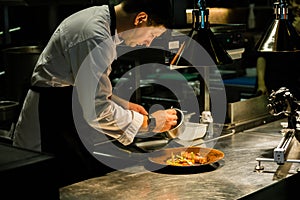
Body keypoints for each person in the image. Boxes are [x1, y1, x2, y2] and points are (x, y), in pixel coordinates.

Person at [12, 0, 177, 186]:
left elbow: (82, 83)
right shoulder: (95, 37)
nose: (148, 43)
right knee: (50, 184)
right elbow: (97, 111)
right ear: (140, 18)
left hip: (63, 108)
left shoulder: (100, 20)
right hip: (49, 118)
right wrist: (150, 123)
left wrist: (121, 103)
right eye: (153, 34)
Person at [255, 0, 300, 99]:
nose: (296, 6)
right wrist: (261, 84)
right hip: (272, 83)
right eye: (294, 2)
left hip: (294, 86)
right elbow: (262, 56)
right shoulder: (277, 21)